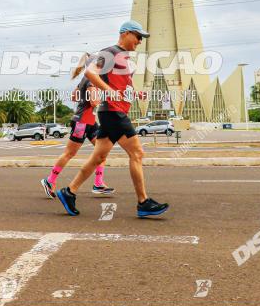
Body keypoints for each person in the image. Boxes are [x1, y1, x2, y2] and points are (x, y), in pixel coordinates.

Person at [56, 20, 169, 218]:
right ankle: (143, 202)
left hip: (114, 112)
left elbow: (124, 86)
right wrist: (108, 90)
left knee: (98, 157)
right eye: (138, 36)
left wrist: (137, 95)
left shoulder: (124, 59)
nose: (140, 41)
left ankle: (69, 191)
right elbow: (90, 73)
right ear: (125, 33)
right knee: (137, 154)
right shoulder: (110, 52)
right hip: (112, 112)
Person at [41, 53, 114, 198]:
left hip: (90, 121)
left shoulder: (86, 79)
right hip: (82, 122)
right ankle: (50, 181)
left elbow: (74, 96)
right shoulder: (92, 81)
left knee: (102, 152)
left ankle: (98, 183)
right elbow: (94, 102)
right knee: (70, 153)